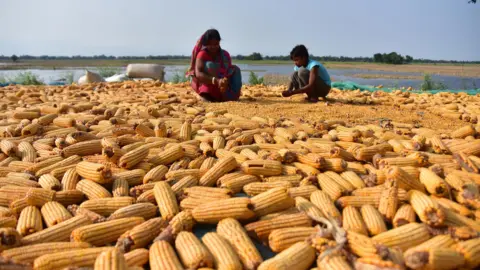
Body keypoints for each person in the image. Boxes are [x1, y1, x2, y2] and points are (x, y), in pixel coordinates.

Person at [186, 29, 242, 102]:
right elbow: (198, 73)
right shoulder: (202, 54)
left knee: (236, 69)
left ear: (219, 42)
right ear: (205, 44)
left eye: (215, 44)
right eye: (210, 44)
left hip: (222, 86)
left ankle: (232, 96)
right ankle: (206, 95)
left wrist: (224, 82)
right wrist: (216, 81)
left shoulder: (225, 55)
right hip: (206, 83)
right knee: (210, 65)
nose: (213, 47)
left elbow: (228, 71)